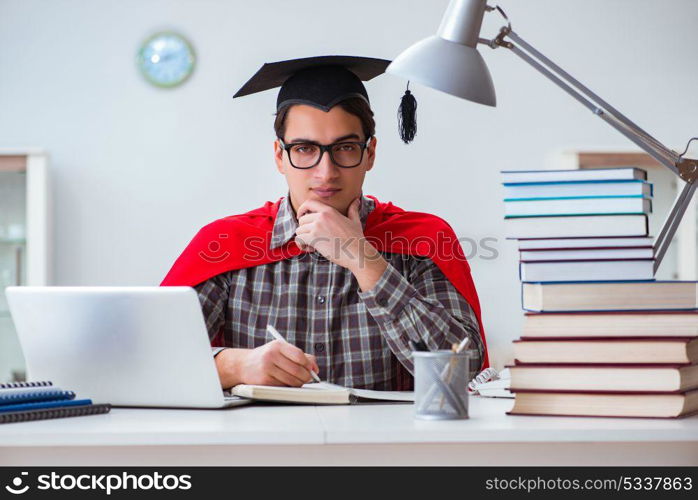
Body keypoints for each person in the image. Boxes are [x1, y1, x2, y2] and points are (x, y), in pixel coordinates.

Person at [161, 55, 489, 391]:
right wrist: (233, 365)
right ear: (279, 155)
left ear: (370, 153)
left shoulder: (422, 240)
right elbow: (148, 360)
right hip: (261, 442)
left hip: (386, 443)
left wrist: (364, 259)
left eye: (345, 148)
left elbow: (460, 371)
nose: (326, 172)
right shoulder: (225, 243)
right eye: (304, 149)